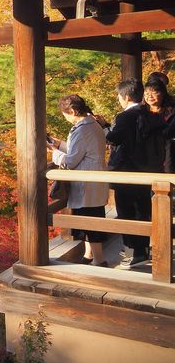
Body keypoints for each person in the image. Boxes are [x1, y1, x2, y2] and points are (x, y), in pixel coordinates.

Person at [106, 79, 165, 268]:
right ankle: (143, 250)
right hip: (147, 171)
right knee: (142, 211)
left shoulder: (125, 117)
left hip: (127, 172)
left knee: (126, 212)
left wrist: (104, 127)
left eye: (119, 96)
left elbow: (113, 138)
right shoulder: (152, 114)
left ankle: (132, 253)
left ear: (126, 97)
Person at [48, 95, 109, 266]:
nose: (65, 118)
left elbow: (71, 160)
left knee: (90, 220)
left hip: (86, 182)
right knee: (89, 218)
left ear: (73, 111)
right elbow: (83, 150)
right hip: (93, 181)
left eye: (65, 114)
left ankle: (99, 260)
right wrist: (59, 144)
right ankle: (89, 255)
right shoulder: (92, 124)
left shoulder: (82, 129)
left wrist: (54, 152)